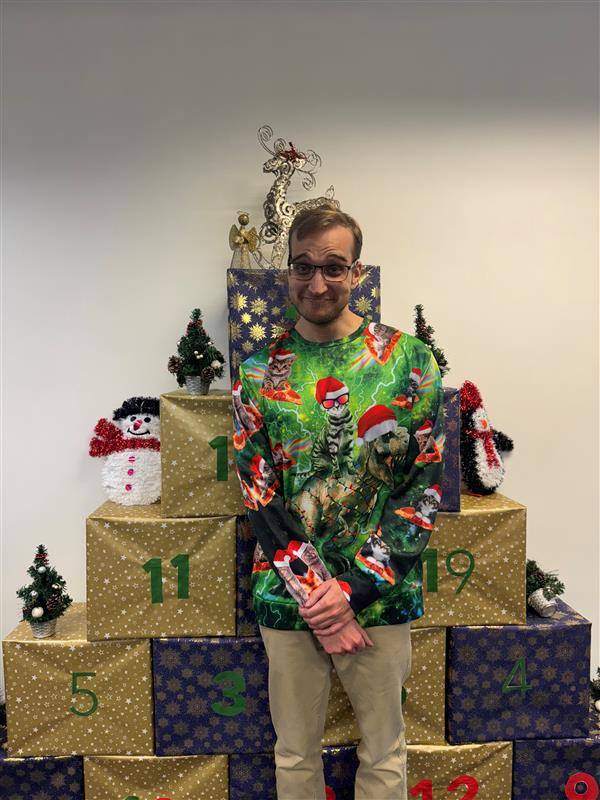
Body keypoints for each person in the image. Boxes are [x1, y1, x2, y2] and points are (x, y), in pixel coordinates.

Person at [232, 207, 445, 800]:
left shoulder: (408, 361)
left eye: (333, 267)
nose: (318, 282)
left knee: (385, 752)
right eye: (303, 267)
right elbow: (259, 495)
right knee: (294, 754)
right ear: (287, 272)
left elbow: (421, 488)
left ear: (357, 272)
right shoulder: (258, 373)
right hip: (291, 598)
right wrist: (319, 596)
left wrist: (352, 591)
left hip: (381, 595)